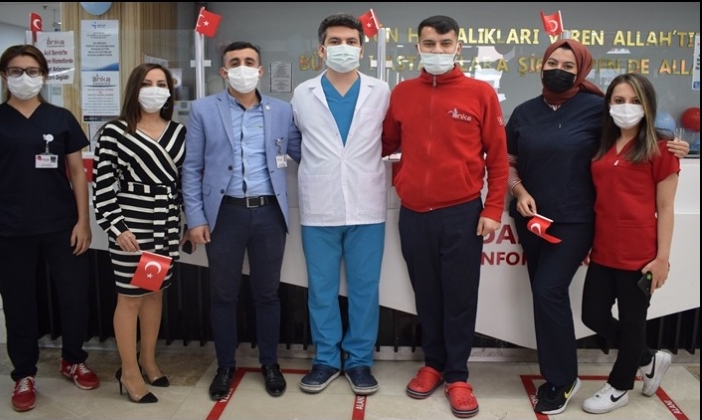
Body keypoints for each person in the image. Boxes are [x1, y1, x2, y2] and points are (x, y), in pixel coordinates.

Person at [506, 39, 689, 416]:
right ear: (541, 65)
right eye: (552, 63)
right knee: (550, 297)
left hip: (576, 221)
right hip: (532, 221)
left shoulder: (596, 109)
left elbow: (638, 125)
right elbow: (508, 162)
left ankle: (561, 379)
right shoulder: (523, 113)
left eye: (569, 66)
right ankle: (645, 356)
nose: (558, 70)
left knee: (548, 290)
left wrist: (673, 143)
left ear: (582, 72)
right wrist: (518, 190)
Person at [0, 44, 100, 413]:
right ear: (4, 75)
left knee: (74, 297)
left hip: (61, 226)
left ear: (44, 76)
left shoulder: (61, 118)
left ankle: (73, 359)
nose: (25, 77)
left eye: (33, 71)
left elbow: (77, 174)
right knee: (18, 303)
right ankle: (23, 373)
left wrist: (83, 221)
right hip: (9, 229)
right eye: (16, 71)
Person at [381, 15, 507, 418]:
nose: (437, 50)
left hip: (462, 214)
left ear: (458, 47)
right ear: (418, 46)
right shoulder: (402, 93)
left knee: (459, 298)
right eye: (430, 44)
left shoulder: (480, 94)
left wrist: (493, 208)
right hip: (414, 214)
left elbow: (498, 158)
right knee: (427, 295)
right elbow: (387, 143)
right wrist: (402, 178)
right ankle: (433, 365)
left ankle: (457, 375)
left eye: (445, 43)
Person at [182, 41, 302, 400]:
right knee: (223, 295)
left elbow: (304, 153)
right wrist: (195, 218)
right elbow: (192, 168)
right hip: (224, 214)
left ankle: (270, 363)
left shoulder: (282, 110)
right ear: (223, 71)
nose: (243, 68)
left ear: (260, 70)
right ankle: (225, 366)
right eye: (235, 62)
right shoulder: (203, 109)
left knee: (267, 294)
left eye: (250, 62)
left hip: (268, 213)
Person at [290, 13, 390, 396]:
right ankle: (327, 359)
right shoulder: (303, 93)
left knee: (365, 288)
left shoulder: (381, 91)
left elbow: (391, 139)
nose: (343, 48)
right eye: (335, 41)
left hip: (367, 205)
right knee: (321, 289)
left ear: (362, 50)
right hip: (319, 206)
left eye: (351, 41)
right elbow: (296, 143)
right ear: (321, 49)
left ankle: (360, 361)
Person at [580, 73, 679, 414]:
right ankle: (648, 358)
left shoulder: (661, 149)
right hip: (603, 247)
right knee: (592, 314)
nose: (627, 107)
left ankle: (620, 387)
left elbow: (666, 208)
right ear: (608, 104)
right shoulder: (603, 145)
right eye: (619, 100)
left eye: (635, 101)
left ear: (648, 105)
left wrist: (662, 259)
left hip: (640, 254)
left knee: (633, 321)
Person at [93, 63, 186, 404]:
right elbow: (103, 188)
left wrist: (184, 224)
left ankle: (148, 360)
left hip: (164, 225)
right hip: (131, 227)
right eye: (147, 83)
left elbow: (182, 183)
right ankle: (129, 371)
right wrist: (117, 228)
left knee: (154, 293)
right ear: (135, 88)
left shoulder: (178, 132)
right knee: (130, 297)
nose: (155, 89)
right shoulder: (114, 131)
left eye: (162, 84)